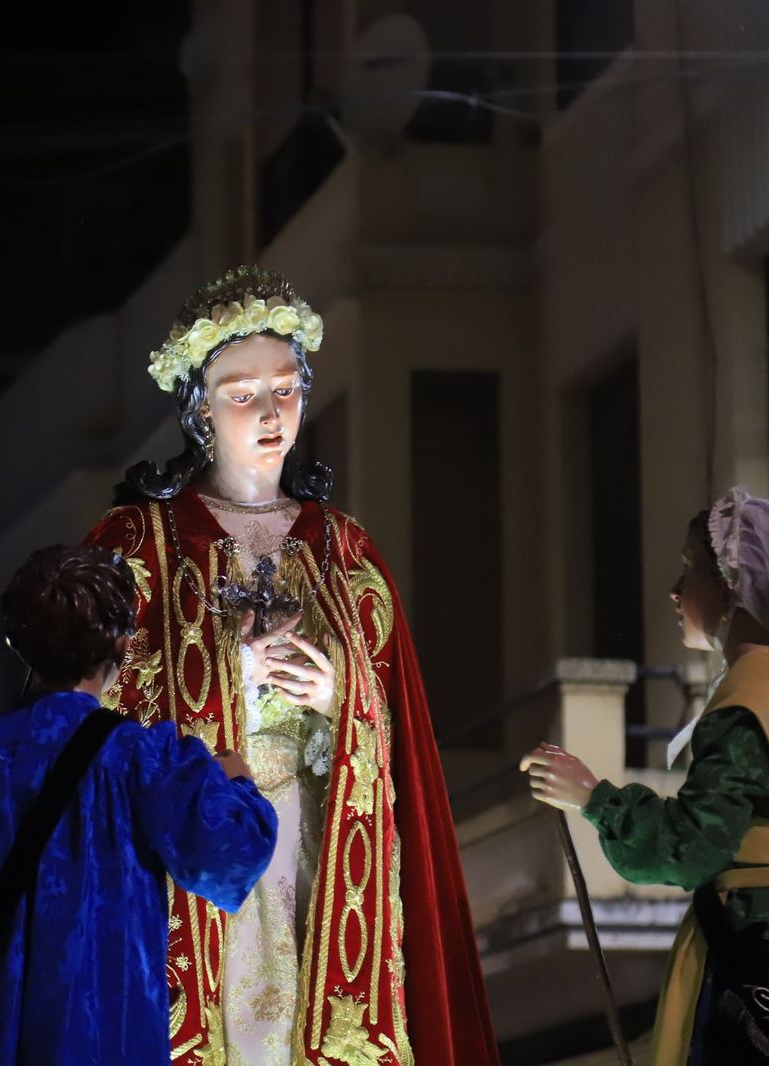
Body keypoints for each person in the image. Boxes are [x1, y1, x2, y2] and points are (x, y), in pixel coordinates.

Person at [84, 266, 498, 1065]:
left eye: (285, 389)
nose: (271, 414)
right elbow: (97, 720)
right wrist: (230, 682)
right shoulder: (138, 545)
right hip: (199, 856)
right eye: (242, 395)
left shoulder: (345, 551)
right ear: (200, 409)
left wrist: (345, 700)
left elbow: (397, 727)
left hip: (321, 844)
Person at [520, 487, 769, 1066]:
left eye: (689, 570)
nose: (676, 591)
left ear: (730, 589)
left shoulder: (746, 704)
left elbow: (692, 846)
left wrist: (594, 798)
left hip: (749, 958)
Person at [0, 544, 278, 1065]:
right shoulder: (143, 759)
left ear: (17, 640)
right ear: (121, 641)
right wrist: (239, 785)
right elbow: (231, 857)